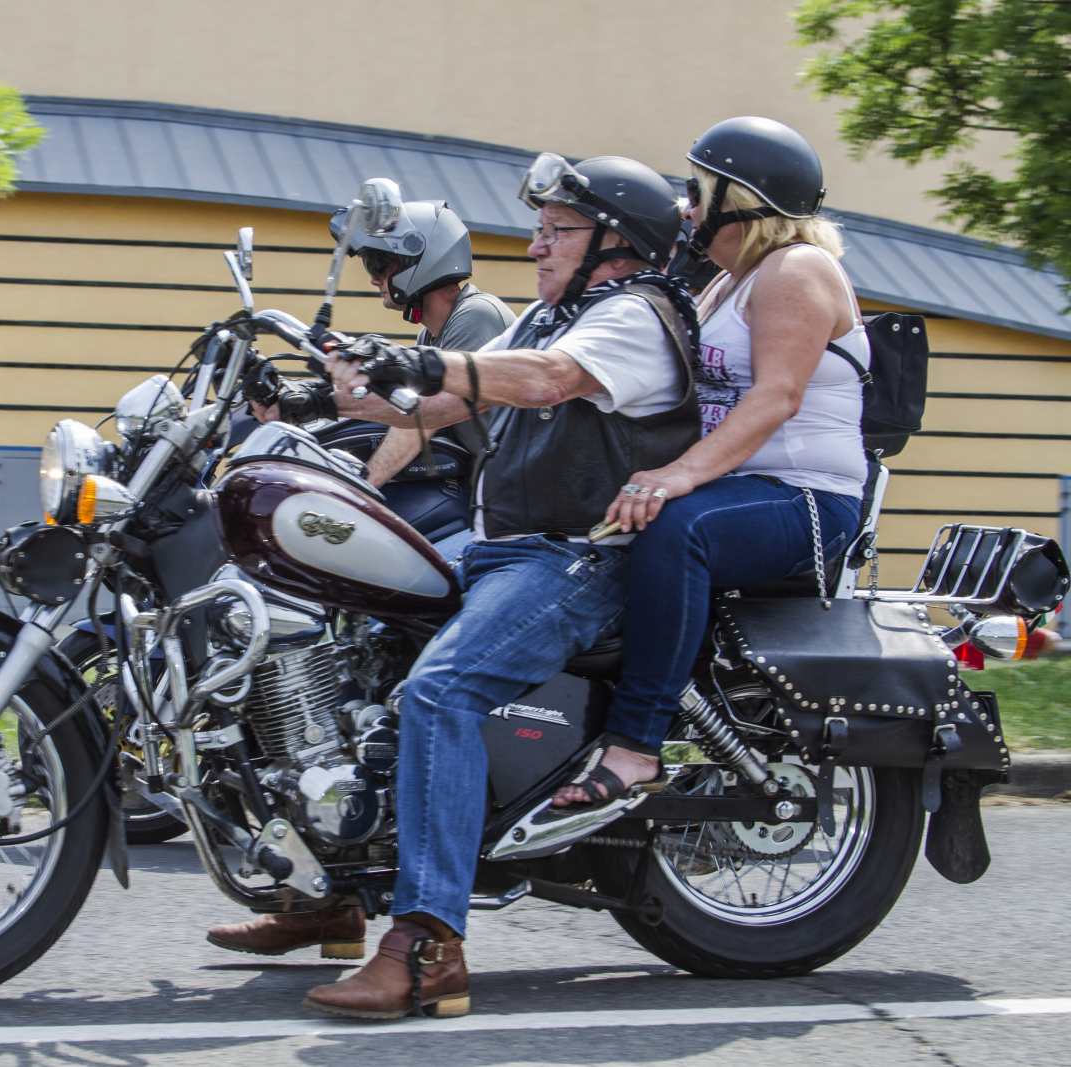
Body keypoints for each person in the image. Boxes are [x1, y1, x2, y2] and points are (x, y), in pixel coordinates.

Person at [217, 153, 700, 1021]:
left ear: (617, 242)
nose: (535, 246)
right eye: (540, 229)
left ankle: (430, 945)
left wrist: (423, 363)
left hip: (573, 560)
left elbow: (545, 380)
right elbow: (439, 406)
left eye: (558, 231)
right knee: (345, 656)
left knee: (441, 691)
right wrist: (315, 402)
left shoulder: (634, 316)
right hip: (500, 551)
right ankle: (330, 890)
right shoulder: (556, 314)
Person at [550, 117, 870, 809]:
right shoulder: (727, 282)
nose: (686, 205)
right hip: (737, 488)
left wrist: (678, 476)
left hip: (804, 497)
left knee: (678, 528)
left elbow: (777, 396)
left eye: (697, 191)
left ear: (740, 200)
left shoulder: (797, 269)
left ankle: (635, 744)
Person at [252, 200, 514, 491]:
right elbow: (392, 400)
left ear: (423, 261)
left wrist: (359, 488)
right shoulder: (431, 335)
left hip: (511, 496)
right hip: (484, 488)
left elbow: (424, 416)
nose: (374, 280)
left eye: (379, 265)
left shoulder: (477, 315)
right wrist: (308, 397)